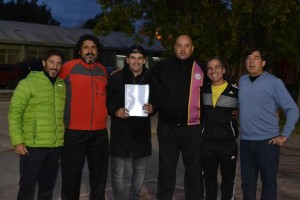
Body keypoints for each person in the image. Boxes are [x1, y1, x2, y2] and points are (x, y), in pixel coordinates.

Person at [239, 48, 299, 200]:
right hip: (245, 142)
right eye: (248, 57)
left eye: (256, 58)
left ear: (263, 63)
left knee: (268, 185)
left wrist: (284, 135)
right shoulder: (242, 81)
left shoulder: (274, 83)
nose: (251, 61)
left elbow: (292, 109)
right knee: (247, 184)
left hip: (267, 143)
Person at [151, 34, 207, 200]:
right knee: (166, 169)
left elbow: (219, 86)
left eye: (186, 46)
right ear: (174, 47)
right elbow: (145, 80)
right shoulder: (162, 66)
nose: (183, 49)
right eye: (179, 45)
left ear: (192, 48)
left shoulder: (201, 67)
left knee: (194, 170)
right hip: (167, 128)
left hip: (193, 128)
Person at [8, 49, 65, 200]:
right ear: (44, 63)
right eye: (52, 62)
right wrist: (18, 141)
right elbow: (15, 112)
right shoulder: (28, 83)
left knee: (47, 188)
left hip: (54, 147)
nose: (55, 66)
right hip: (32, 147)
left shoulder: (61, 86)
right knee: (27, 188)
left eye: (59, 63)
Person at [59, 34, 109, 200]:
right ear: (79, 51)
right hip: (74, 132)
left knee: (99, 178)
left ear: (98, 51)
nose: (90, 51)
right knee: (71, 177)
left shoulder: (102, 70)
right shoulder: (68, 67)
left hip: (99, 133)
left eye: (93, 48)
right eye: (86, 47)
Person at [106, 44, 158, 200]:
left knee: (140, 171)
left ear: (144, 61)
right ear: (127, 60)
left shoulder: (152, 78)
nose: (136, 61)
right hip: (120, 132)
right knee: (117, 172)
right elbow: (107, 102)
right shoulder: (116, 78)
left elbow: (157, 100)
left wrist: (152, 108)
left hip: (141, 133)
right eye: (133, 58)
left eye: (140, 58)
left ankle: (134, 196)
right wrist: (116, 111)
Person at [201, 57, 239, 200]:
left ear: (223, 70)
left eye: (217, 67)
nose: (213, 71)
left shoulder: (236, 92)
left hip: (228, 144)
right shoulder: (202, 90)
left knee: (228, 180)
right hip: (207, 144)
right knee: (209, 179)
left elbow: (251, 106)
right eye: (210, 68)